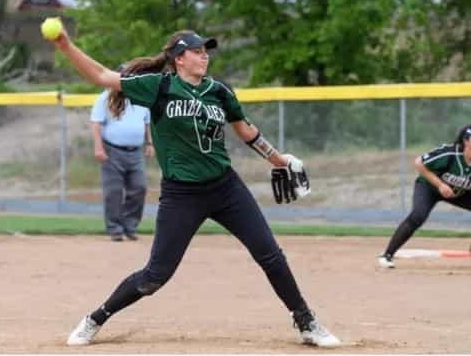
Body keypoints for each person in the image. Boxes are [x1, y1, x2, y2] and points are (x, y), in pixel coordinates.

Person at [48, 26, 340, 348]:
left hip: (226, 188)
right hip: (182, 195)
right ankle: (96, 318)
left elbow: (247, 132)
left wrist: (278, 160)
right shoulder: (157, 87)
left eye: (206, 51)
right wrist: (65, 45)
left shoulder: (220, 91)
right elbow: (102, 76)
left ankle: (305, 320)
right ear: (179, 59)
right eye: (197, 51)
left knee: (270, 254)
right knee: (155, 276)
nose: (205, 56)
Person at [379, 124, 471, 268]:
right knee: (418, 216)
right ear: (466, 141)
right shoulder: (450, 154)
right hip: (429, 187)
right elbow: (419, 163)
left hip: (458, 192)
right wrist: (440, 185)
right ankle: (387, 255)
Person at [91, 67, 155, 241]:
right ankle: (115, 229)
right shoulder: (106, 97)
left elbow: (147, 122)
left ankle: (130, 226)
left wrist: (150, 142)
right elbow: (96, 123)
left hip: (135, 151)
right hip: (112, 151)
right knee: (113, 192)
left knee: (139, 188)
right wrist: (98, 147)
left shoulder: (141, 98)